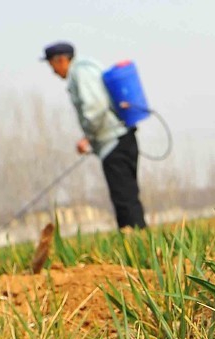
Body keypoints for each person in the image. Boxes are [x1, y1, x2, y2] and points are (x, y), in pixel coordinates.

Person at [43, 41, 147, 230]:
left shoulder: (80, 73)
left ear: (62, 60)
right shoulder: (89, 67)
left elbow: (95, 107)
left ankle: (134, 238)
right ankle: (139, 237)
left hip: (113, 142)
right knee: (129, 196)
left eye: (52, 66)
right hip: (121, 137)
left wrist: (88, 137)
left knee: (124, 199)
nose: (54, 72)